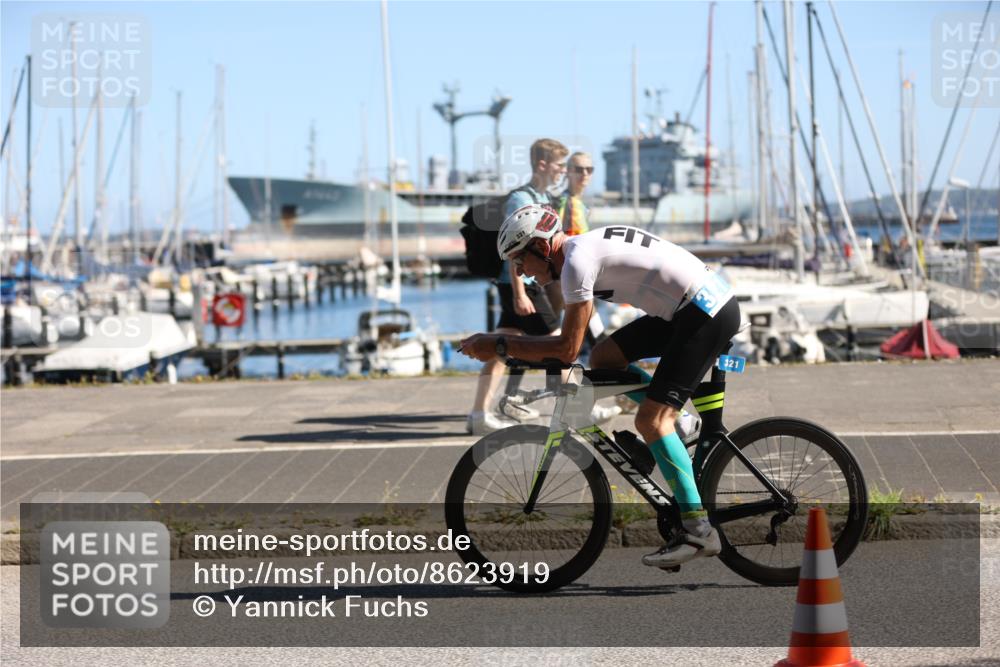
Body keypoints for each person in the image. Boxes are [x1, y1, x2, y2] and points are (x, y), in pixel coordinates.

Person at [460, 205, 741, 568]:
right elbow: (582, 344)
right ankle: (683, 423)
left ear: (542, 249)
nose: (519, 272)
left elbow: (566, 348)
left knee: (651, 421)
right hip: (688, 307)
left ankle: (698, 530)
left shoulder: (576, 263)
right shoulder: (577, 255)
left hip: (705, 311)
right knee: (606, 358)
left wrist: (498, 345)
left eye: (519, 260)